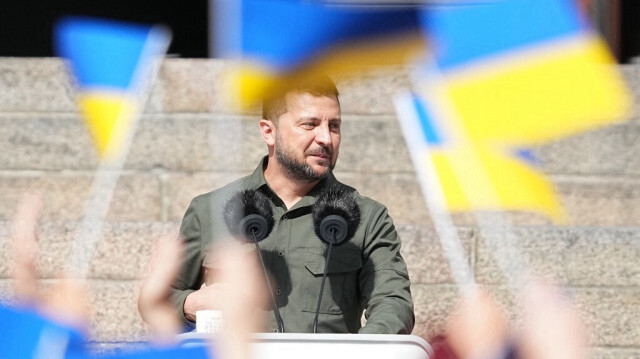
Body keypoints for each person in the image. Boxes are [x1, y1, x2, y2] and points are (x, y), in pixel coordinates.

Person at [168, 75, 414, 334]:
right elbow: (162, 299)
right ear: (268, 132)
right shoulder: (209, 210)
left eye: (334, 126)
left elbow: (393, 304)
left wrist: (357, 352)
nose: (326, 139)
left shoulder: (368, 217)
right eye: (310, 125)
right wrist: (189, 304)